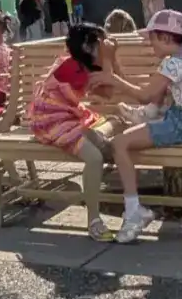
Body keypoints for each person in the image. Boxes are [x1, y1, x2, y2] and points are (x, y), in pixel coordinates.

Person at [88, 9, 182, 243]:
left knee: (119, 144)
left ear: (167, 38)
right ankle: (147, 117)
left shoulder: (173, 64)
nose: (150, 44)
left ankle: (134, 210)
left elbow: (145, 94)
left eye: (152, 38)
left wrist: (112, 79)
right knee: (161, 94)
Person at [28, 23, 117, 236]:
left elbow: (109, 91)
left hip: (68, 115)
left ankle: (98, 137)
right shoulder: (71, 67)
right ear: (87, 46)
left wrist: (110, 57)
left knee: (116, 121)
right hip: (51, 121)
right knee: (95, 158)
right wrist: (108, 58)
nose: (103, 46)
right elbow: (109, 90)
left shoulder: (83, 65)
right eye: (100, 43)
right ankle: (94, 221)